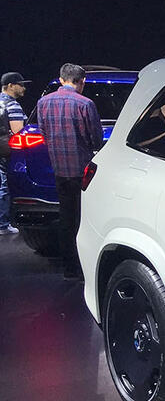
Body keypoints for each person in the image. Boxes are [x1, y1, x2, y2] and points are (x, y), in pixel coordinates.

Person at [35, 63, 103, 280]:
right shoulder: (85, 103)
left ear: (61, 79)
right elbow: (96, 138)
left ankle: (69, 268)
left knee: (66, 217)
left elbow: (43, 133)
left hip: (59, 168)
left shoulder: (43, 102)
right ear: (81, 81)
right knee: (85, 218)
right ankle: (86, 268)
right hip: (83, 171)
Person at [0, 71, 30, 236]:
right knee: (4, 186)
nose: (24, 88)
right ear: (10, 86)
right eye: (21, 84)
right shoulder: (13, 105)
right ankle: (3, 224)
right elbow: (18, 131)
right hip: (5, 151)